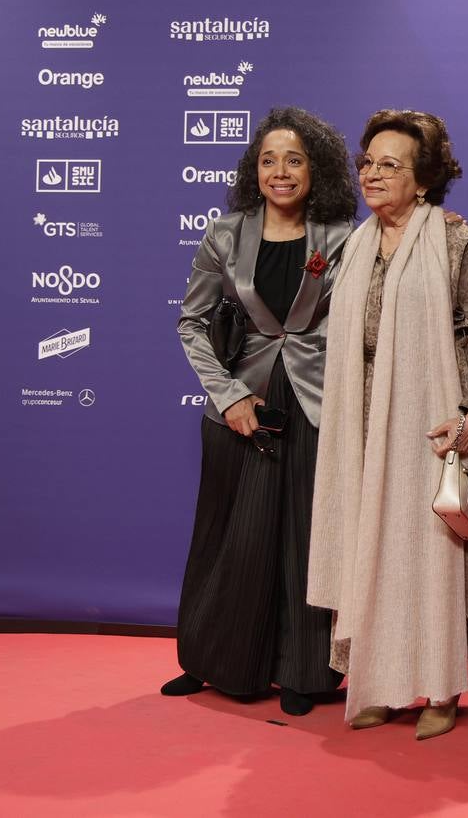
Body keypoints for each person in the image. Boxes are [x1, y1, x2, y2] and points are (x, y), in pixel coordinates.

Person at [306, 109, 468, 740]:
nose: (371, 174)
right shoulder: (352, 246)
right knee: (371, 553)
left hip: (431, 425)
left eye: (389, 165)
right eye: (367, 162)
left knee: (428, 558)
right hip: (362, 426)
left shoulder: (457, 243)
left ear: (423, 181)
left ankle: (440, 689)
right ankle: (377, 683)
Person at [167, 106, 357, 716]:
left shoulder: (344, 236)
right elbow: (192, 323)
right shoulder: (224, 235)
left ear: (316, 169)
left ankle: (304, 672)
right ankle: (213, 661)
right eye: (268, 160)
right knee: (231, 534)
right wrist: (229, 396)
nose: (280, 171)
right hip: (239, 401)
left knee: (306, 538)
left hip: (316, 401)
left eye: (294, 160)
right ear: (254, 169)